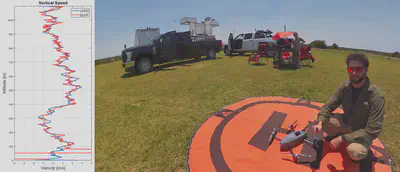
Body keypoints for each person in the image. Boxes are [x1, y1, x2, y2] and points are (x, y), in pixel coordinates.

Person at [313, 53, 385, 164]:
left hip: (362, 132)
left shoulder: (376, 95)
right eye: (351, 69)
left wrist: (342, 139)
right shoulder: (344, 87)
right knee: (320, 120)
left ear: (365, 70)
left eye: (358, 69)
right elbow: (328, 107)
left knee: (354, 152)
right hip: (347, 123)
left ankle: (353, 143)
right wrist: (320, 122)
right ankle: (340, 134)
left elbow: (373, 130)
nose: (354, 73)